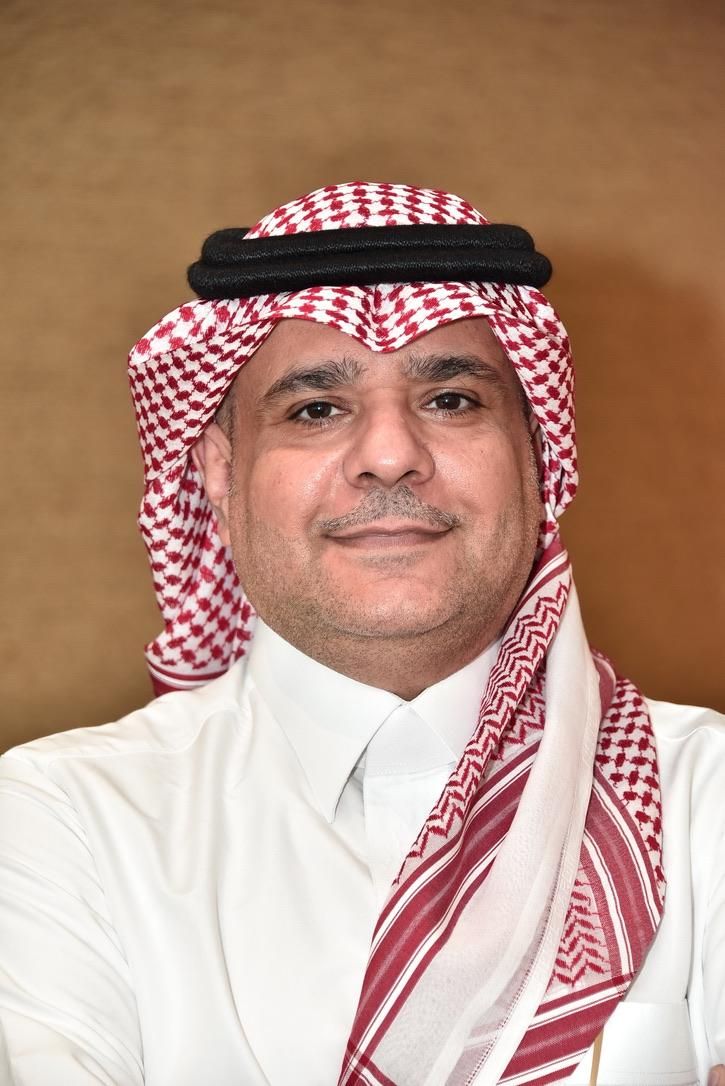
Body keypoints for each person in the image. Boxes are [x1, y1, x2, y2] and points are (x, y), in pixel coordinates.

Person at [0, 182, 723, 1086]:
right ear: (219, 471)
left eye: (451, 400)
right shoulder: (59, 818)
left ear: (538, 454)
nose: (389, 456)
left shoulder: (705, 797)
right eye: (315, 410)